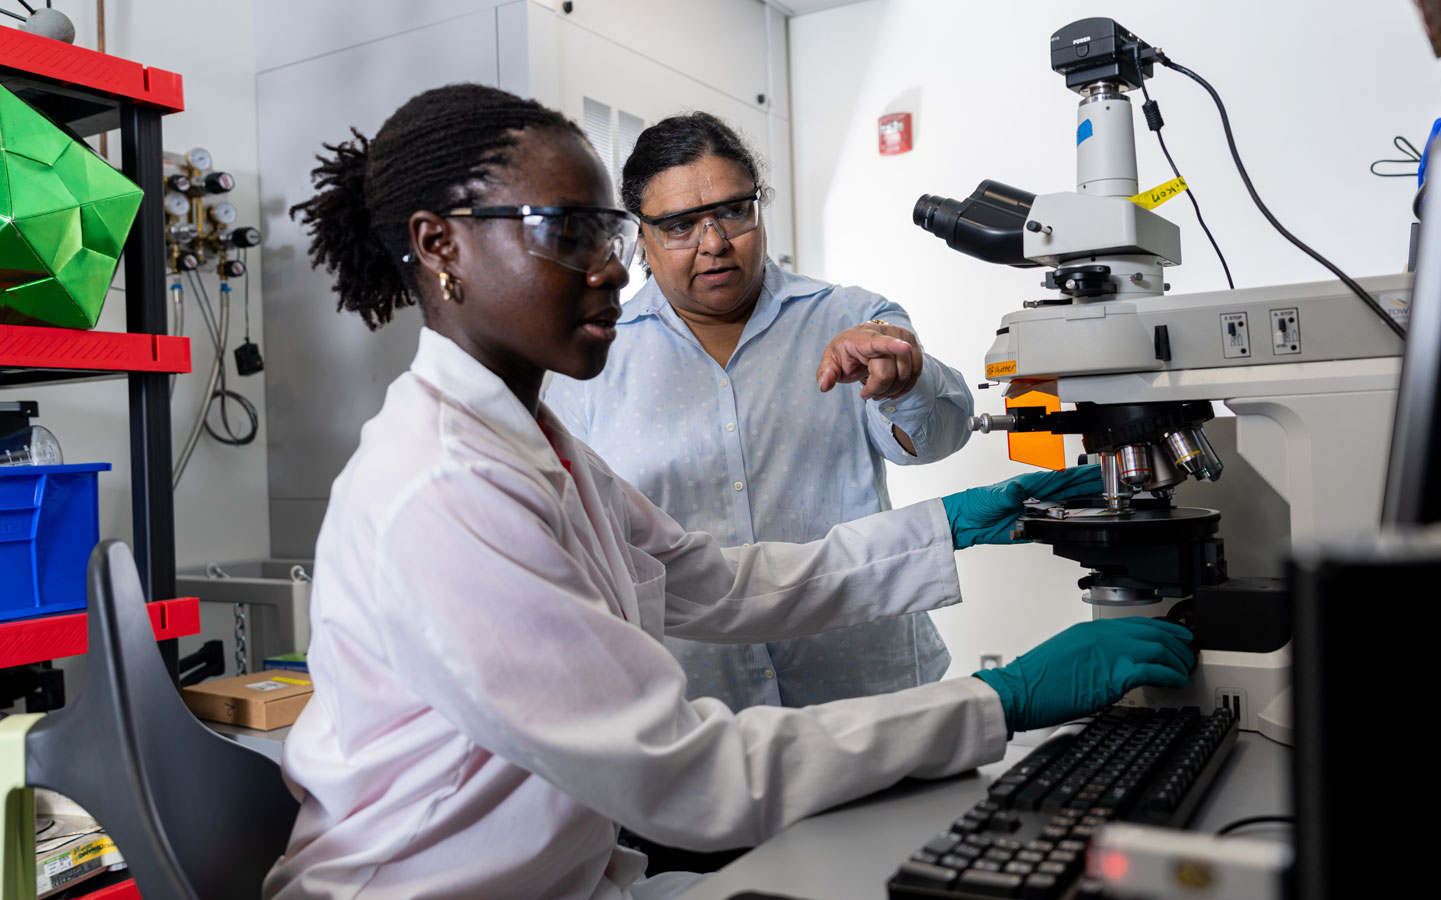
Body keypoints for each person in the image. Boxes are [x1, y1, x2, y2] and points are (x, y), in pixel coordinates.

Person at [265, 84, 1194, 900]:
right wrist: (1002, 700)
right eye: (573, 232)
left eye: (607, 233)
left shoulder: (532, 440)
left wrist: (949, 524)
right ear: (440, 247)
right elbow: (680, 771)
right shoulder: (443, 486)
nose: (616, 267)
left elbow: (715, 581)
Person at [545, 111, 971, 713]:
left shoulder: (850, 318)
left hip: (868, 690)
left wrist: (907, 376)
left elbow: (940, 437)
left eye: (734, 212)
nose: (714, 242)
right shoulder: (594, 357)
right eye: (680, 225)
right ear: (641, 237)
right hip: (702, 712)